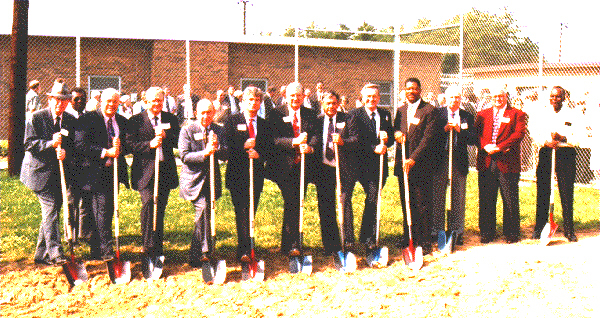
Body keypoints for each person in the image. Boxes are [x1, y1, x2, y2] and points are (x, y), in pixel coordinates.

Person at [21, 79, 77, 265]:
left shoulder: (70, 120)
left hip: (58, 174)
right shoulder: (37, 117)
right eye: (56, 99)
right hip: (38, 173)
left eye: (64, 100)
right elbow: (29, 143)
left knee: (50, 212)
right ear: (50, 99)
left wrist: (65, 152)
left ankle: (41, 254)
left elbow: (72, 145)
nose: (60, 103)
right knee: (51, 208)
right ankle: (56, 253)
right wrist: (50, 144)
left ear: (68, 101)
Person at [125, 87, 180, 270]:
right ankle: (147, 247)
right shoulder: (136, 121)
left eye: (159, 100)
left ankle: (158, 247)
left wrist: (167, 136)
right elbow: (130, 144)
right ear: (145, 101)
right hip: (145, 172)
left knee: (160, 209)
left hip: (164, 171)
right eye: (153, 100)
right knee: (149, 205)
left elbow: (179, 139)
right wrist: (150, 144)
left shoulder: (170, 119)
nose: (156, 103)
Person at [75, 88, 130, 260]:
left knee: (104, 211)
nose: (111, 105)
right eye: (108, 101)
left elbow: (127, 145)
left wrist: (121, 147)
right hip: (92, 172)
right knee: (101, 211)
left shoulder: (121, 121)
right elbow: (81, 145)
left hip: (112, 173)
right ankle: (106, 251)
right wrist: (106, 152)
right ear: (101, 102)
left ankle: (96, 250)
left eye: (115, 102)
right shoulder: (88, 119)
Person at [265, 82, 317, 257]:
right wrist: (293, 142)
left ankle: (288, 244)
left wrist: (309, 147)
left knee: (294, 203)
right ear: (285, 96)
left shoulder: (310, 114)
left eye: (298, 95)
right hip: (283, 167)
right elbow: (272, 139)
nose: (295, 98)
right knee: (293, 201)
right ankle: (293, 244)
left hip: (303, 167)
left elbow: (316, 136)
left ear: (304, 96)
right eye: (292, 95)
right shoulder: (276, 113)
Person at [223, 86, 273, 262]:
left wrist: (260, 155)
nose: (254, 103)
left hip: (256, 174)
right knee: (241, 210)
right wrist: (242, 147)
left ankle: (249, 243)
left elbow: (270, 148)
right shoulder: (232, 121)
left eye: (257, 100)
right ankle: (243, 248)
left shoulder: (265, 124)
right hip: (237, 174)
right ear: (242, 102)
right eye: (250, 100)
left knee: (252, 210)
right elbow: (225, 146)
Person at [393, 78, 443, 254]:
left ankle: (424, 240)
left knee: (422, 203)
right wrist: (396, 133)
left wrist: (413, 158)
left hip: (421, 164)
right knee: (407, 201)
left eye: (414, 88)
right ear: (404, 90)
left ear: (420, 90)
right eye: (408, 89)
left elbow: (428, 139)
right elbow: (395, 130)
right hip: (403, 164)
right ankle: (408, 236)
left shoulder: (429, 110)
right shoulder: (400, 110)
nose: (411, 91)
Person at [473, 87, 527, 243]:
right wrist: (485, 145)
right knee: (486, 198)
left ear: (506, 97)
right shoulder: (483, 114)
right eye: (495, 96)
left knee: (509, 197)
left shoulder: (517, 114)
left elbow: (519, 133)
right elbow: (476, 134)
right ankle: (487, 232)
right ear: (491, 97)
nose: (498, 98)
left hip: (506, 161)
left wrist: (500, 147)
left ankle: (511, 233)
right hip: (487, 161)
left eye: (501, 96)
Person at [344, 83, 394, 252]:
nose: (371, 99)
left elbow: (391, 138)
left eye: (375, 96)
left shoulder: (385, 115)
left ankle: (368, 236)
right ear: (362, 98)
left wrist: (388, 140)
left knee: (373, 199)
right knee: (346, 199)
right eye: (368, 96)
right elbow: (356, 140)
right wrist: (373, 147)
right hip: (356, 164)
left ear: (379, 98)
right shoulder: (354, 115)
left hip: (376, 166)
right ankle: (348, 239)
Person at [178, 99, 225, 266]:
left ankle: (195, 255)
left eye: (209, 112)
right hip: (193, 180)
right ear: (196, 113)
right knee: (204, 209)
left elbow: (225, 153)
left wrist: (217, 147)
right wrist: (205, 152)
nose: (206, 116)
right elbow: (184, 155)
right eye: (203, 112)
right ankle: (205, 253)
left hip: (211, 180)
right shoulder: (187, 130)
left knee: (205, 215)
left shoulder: (219, 129)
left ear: (214, 113)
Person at [532, 86, 578, 242]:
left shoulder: (573, 114)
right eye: (552, 96)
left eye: (558, 96)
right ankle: (540, 228)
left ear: (564, 98)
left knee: (566, 192)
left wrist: (562, 138)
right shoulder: (542, 113)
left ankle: (569, 230)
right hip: (546, 152)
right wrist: (545, 141)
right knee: (543, 191)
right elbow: (534, 131)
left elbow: (579, 136)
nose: (555, 99)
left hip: (565, 154)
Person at [430, 86, 475, 246]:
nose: (454, 101)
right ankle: (437, 230)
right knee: (438, 195)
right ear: (445, 99)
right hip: (440, 159)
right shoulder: (437, 114)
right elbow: (431, 135)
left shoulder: (466, 116)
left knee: (458, 195)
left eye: (457, 98)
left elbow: (472, 138)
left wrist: (458, 130)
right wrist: (444, 129)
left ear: (461, 99)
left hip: (458, 160)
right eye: (451, 98)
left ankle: (457, 230)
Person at [306, 90, 346, 256]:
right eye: (327, 103)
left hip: (342, 167)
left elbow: (356, 139)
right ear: (322, 104)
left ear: (338, 104)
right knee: (326, 207)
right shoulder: (317, 121)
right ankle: (331, 245)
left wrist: (343, 141)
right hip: (324, 167)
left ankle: (347, 241)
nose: (331, 107)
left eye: (334, 103)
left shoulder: (346, 119)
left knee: (345, 204)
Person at [65, 87, 93, 242]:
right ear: (70, 100)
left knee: (85, 202)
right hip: (70, 167)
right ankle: (70, 233)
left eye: (83, 98)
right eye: (76, 99)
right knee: (71, 201)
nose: (80, 101)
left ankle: (84, 234)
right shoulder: (66, 118)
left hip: (87, 167)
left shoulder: (90, 117)